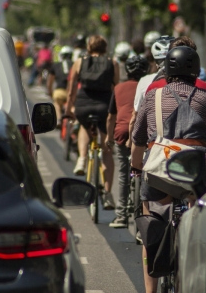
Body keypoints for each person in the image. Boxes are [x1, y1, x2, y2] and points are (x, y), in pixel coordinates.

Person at [131, 46, 206, 293]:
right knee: (199, 216)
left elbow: (138, 138)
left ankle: (150, 291)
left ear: (167, 69)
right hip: (194, 174)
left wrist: (137, 167)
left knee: (151, 225)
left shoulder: (153, 96)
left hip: (159, 172)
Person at [144, 36, 206, 148]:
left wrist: (135, 164)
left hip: (160, 158)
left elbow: (141, 132)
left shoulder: (154, 89)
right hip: (196, 158)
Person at [66, 35, 120, 209]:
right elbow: (116, 88)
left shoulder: (80, 62)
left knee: (83, 125)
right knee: (106, 151)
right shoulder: (113, 63)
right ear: (105, 48)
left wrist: (69, 109)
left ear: (89, 47)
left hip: (83, 104)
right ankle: (108, 194)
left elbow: (71, 88)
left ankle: (81, 158)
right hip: (104, 106)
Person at [105, 55, 149, 228]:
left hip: (123, 133)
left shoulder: (118, 88)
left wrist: (109, 137)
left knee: (124, 174)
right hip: (144, 133)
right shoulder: (149, 86)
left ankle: (121, 216)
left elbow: (111, 116)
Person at [47, 45, 73, 126]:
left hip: (59, 92)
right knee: (73, 105)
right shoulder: (75, 64)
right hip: (72, 92)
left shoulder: (56, 65)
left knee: (57, 103)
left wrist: (50, 92)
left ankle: (58, 119)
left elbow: (49, 82)